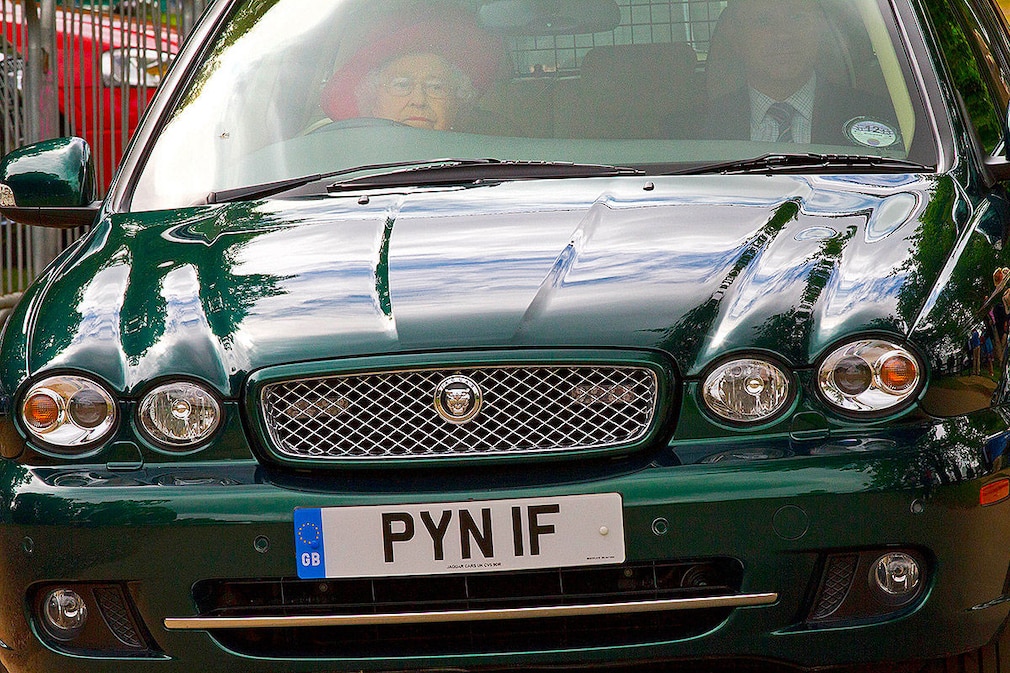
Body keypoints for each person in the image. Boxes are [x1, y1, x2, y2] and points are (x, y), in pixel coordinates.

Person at [698, 0, 899, 146]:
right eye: (763, 21)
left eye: (797, 17)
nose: (782, 34)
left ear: (819, 29)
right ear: (737, 37)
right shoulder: (696, 131)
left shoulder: (879, 118)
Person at [320, 17, 502, 132]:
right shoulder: (347, 166)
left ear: (456, 102)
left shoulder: (487, 164)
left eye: (436, 87)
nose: (419, 100)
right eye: (402, 84)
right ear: (373, 100)